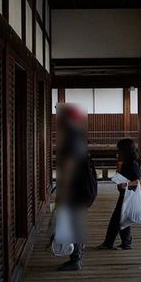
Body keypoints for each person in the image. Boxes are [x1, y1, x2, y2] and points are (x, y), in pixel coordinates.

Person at [54, 104, 96, 271]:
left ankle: (76, 259)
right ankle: (78, 254)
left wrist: (62, 193)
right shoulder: (78, 136)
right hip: (84, 188)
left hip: (76, 189)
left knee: (74, 222)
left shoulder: (71, 138)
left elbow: (70, 166)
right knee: (77, 221)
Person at [96, 137, 141, 250]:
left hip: (128, 195)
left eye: (119, 149)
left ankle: (119, 243)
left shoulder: (131, 164)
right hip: (124, 194)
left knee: (119, 219)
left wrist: (126, 185)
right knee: (120, 218)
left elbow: (140, 180)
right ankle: (117, 243)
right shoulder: (127, 162)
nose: (118, 151)